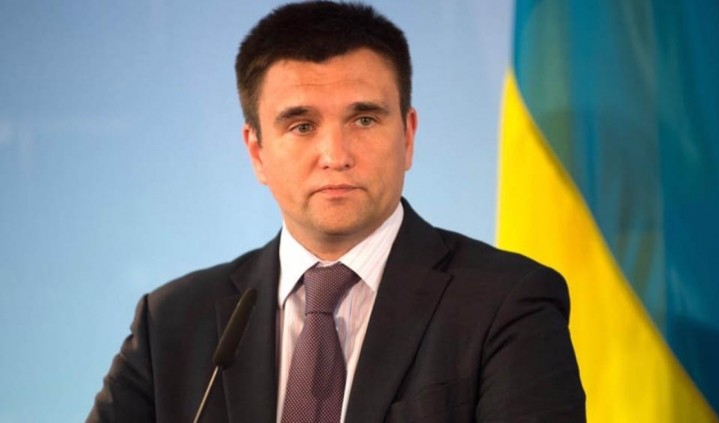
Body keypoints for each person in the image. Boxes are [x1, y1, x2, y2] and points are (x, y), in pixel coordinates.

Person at [88, 1, 585, 422]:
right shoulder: (172, 323)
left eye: (364, 119)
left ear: (408, 136)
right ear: (257, 152)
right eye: (302, 126)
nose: (336, 154)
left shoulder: (506, 304)